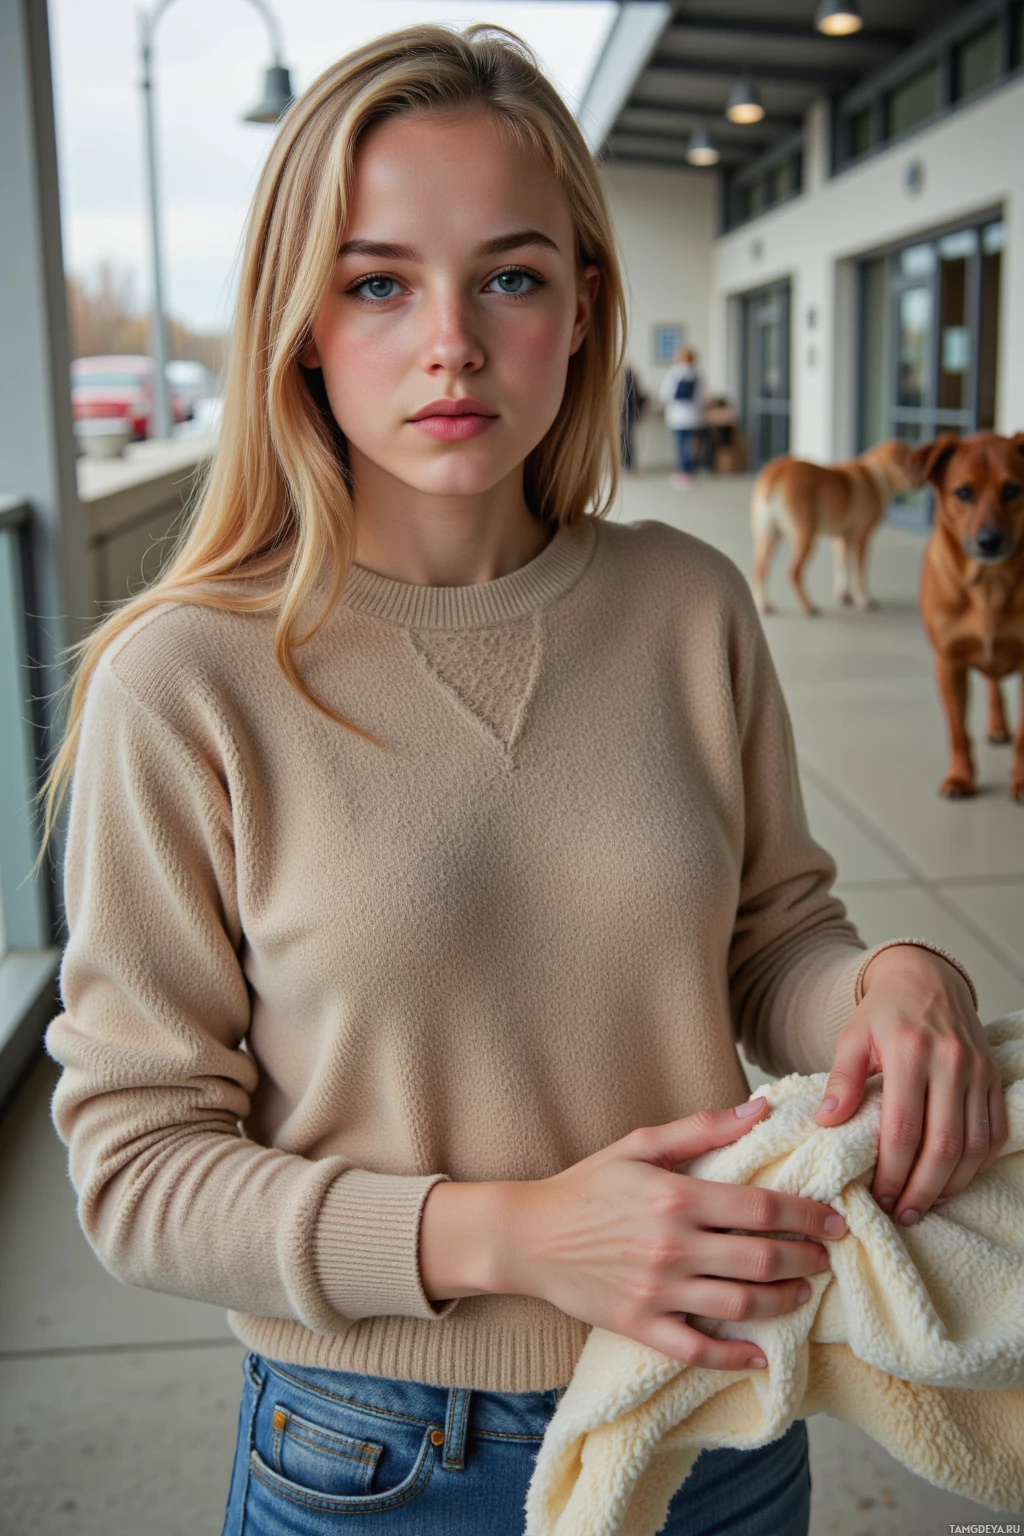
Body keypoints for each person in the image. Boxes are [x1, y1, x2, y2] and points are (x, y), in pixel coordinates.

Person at [37, 25, 1005, 1536]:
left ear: (581, 306)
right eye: (377, 281)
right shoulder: (185, 680)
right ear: (297, 321)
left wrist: (888, 975)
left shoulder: (690, 605)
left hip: (722, 1412)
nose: (452, 342)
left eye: (510, 275)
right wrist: (514, 1236)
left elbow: (770, 942)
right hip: (370, 1454)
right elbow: (136, 1169)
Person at [659, 344, 703, 487]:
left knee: (681, 444)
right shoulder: (697, 374)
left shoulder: (674, 373)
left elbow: (665, 395)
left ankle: (684, 472)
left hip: (678, 416)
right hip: (692, 416)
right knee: (690, 445)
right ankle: (689, 470)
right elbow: (701, 397)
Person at [620, 360, 645, 475]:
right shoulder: (630, 378)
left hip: (625, 414)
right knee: (627, 441)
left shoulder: (626, 378)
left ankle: (627, 466)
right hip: (627, 413)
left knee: (626, 441)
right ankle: (627, 466)